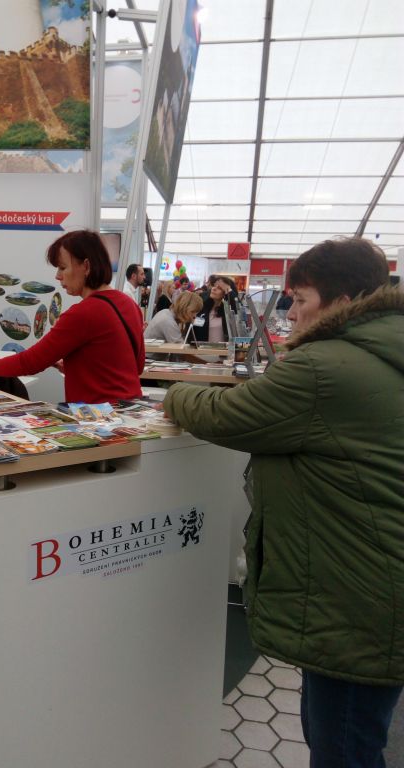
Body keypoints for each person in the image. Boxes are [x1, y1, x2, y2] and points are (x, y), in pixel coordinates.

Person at [163, 237, 404, 768]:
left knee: (343, 743)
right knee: (353, 730)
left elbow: (225, 416)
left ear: (341, 302)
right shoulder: (384, 350)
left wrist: (175, 394)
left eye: (301, 299)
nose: (291, 312)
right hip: (377, 577)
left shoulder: (324, 365)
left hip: (355, 588)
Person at [0, 230, 145, 403]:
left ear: (86, 266)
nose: (58, 276)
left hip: (98, 418)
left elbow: (30, 362)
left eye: (63, 267)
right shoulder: (130, 305)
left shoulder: (83, 313)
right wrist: (77, 366)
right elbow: (135, 366)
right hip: (131, 413)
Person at [194, 276, 238, 343]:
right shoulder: (203, 307)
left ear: (225, 293)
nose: (214, 289)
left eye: (219, 288)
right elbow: (195, 329)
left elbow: (237, 308)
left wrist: (229, 290)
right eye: (214, 286)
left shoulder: (227, 311)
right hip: (203, 348)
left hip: (223, 349)